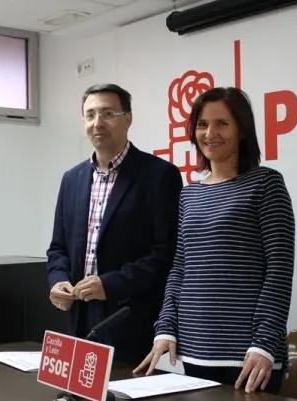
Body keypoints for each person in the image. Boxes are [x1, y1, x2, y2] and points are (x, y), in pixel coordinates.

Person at [133, 87, 296, 395]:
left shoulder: (266, 183)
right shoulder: (189, 194)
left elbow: (279, 269)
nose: (210, 133)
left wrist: (264, 343)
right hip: (195, 350)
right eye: (202, 124)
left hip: (249, 356)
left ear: (242, 130)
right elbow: (180, 268)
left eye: (222, 123)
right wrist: (165, 327)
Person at [45, 83, 183, 364]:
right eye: (90, 115)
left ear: (128, 119)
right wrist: (58, 280)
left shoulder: (159, 175)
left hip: (128, 319)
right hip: (78, 319)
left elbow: (166, 252)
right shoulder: (71, 179)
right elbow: (58, 247)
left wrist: (110, 284)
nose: (98, 123)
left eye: (108, 113)